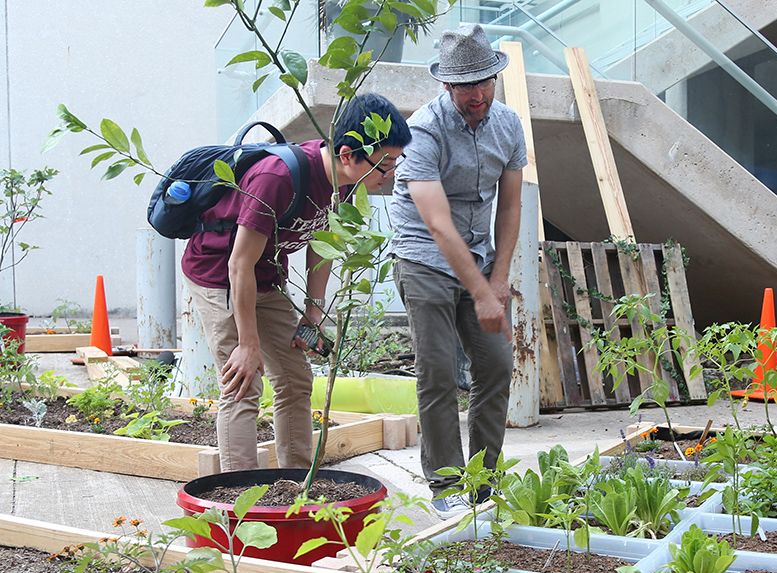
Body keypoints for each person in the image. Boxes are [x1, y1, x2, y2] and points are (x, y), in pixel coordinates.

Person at [182, 93, 411, 472]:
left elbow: (322, 245)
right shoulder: (278, 178)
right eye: (384, 166)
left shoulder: (347, 183)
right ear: (347, 154)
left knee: (294, 378)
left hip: (267, 277)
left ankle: (298, 482)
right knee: (243, 383)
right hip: (218, 275)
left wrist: (313, 313)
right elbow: (238, 263)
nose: (390, 176)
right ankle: (244, 497)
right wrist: (247, 343)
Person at [389, 25, 527, 516]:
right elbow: (438, 223)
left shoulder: (509, 126)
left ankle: (483, 485)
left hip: (480, 256)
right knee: (440, 371)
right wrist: (483, 295)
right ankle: (446, 487)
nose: (479, 94)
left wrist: (499, 281)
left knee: (496, 365)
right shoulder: (423, 131)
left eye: (486, 81)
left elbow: (509, 209)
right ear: (446, 86)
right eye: (467, 85)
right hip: (424, 256)